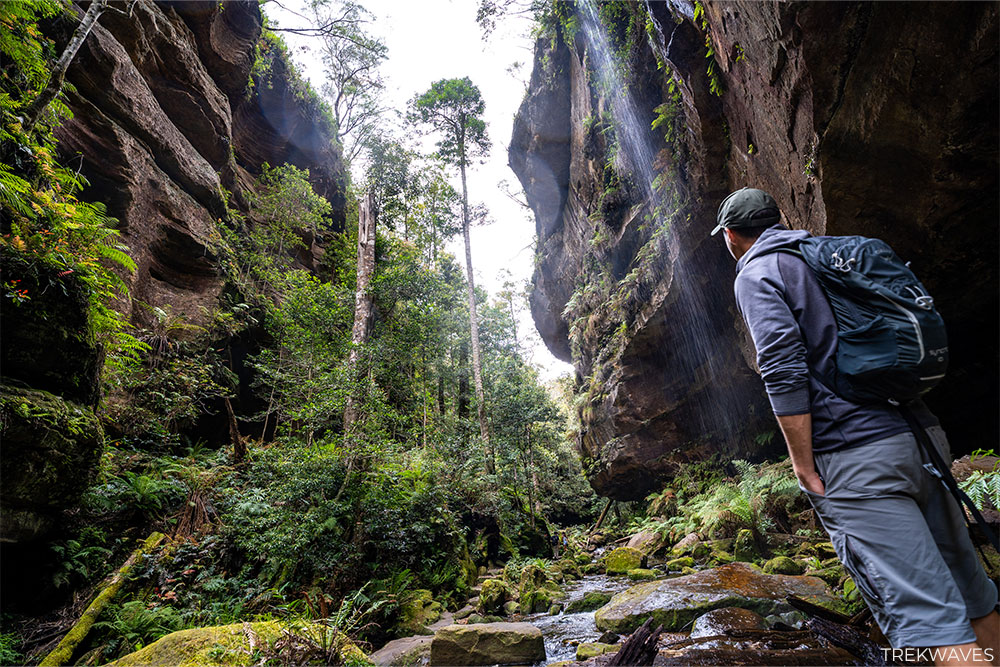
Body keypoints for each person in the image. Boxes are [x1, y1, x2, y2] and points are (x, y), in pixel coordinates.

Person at [714, 187, 998, 665]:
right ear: (776, 221)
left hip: (857, 459)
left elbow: (783, 367)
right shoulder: (829, 256)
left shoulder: (758, 273)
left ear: (730, 236)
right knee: (973, 595)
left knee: (928, 622)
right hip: (920, 439)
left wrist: (802, 463)